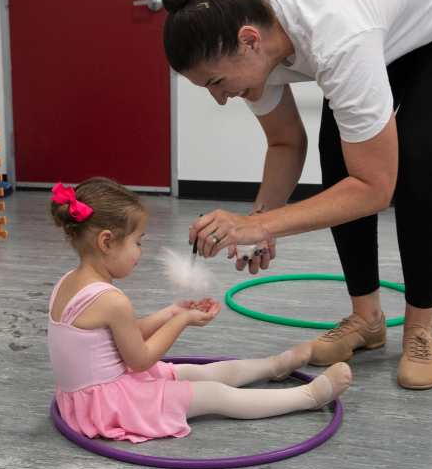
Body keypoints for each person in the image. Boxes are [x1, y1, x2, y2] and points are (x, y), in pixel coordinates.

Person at [160, 0, 432, 390]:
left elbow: (375, 189)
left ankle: (419, 330)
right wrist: (262, 222)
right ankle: (367, 319)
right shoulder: (244, 27)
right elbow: (285, 142)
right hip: (389, 3)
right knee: (338, 151)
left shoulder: (334, 34)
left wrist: (254, 225)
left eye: (218, 82)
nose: (221, 99)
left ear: (250, 41)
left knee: (416, 156)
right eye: (208, 87)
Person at [47, 177, 351, 443]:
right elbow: (139, 360)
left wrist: (169, 312)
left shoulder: (67, 283)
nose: (142, 251)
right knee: (213, 394)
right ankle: (307, 397)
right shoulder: (112, 299)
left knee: (195, 372)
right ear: (106, 242)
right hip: (111, 402)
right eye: (138, 242)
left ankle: (275, 365)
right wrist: (183, 321)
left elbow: (111, 340)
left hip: (89, 394)